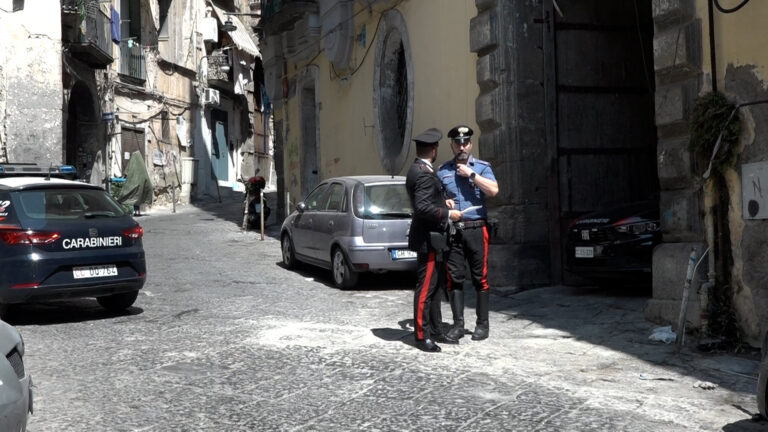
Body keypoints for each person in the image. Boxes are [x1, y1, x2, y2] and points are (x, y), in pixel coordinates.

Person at [437, 125, 499, 341]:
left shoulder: (481, 167)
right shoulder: (443, 171)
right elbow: (437, 199)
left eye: (465, 142)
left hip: (476, 229)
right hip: (455, 231)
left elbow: (493, 190)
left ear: (471, 144)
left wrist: (471, 174)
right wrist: (444, 202)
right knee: (454, 279)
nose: (462, 147)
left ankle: (483, 325)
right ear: (452, 145)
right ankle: (458, 325)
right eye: (458, 143)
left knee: (480, 278)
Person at [406, 127, 463, 352]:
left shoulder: (419, 169)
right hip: (428, 240)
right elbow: (421, 207)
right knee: (426, 290)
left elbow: (429, 200)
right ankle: (422, 336)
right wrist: (449, 213)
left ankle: (436, 330)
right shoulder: (423, 173)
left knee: (436, 289)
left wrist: (443, 202)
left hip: (432, 239)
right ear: (433, 149)